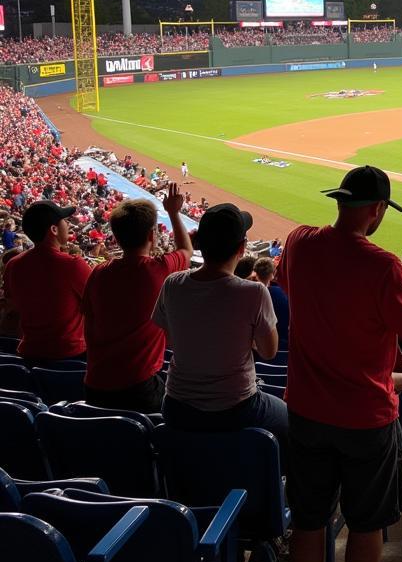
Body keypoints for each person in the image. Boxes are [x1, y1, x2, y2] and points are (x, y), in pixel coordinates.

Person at [278, 165, 402, 562]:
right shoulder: (384, 266)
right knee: (365, 524)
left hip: (305, 411)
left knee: (308, 522)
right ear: (376, 210)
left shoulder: (300, 243)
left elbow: (294, 280)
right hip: (366, 417)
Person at [153, 204, 288, 452]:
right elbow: (269, 352)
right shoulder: (255, 292)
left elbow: (170, 341)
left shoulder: (172, 283)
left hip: (176, 406)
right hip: (237, 407)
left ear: (200, 243)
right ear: (241, 248)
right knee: (292, 420)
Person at [82, 185, 193, 412]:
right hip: (138, 388)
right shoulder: (158, 269)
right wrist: (173, 213)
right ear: (151, 236)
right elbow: (186, 251)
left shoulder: (98, 273)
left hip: (94, 384)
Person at [3, 200, 91, 362]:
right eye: (64, 220)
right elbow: (97, 306)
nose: (68, 224)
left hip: (28, 354)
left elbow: (12, 305)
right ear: (54, 229)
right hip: (70, 356)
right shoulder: (73, 265)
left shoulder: (13, 265)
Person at [254, 256, 289, 349]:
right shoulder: (282, 293)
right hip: (281, 344)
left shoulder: (249, 293)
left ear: (256, 273)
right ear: (273, 274)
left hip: (258, 346)